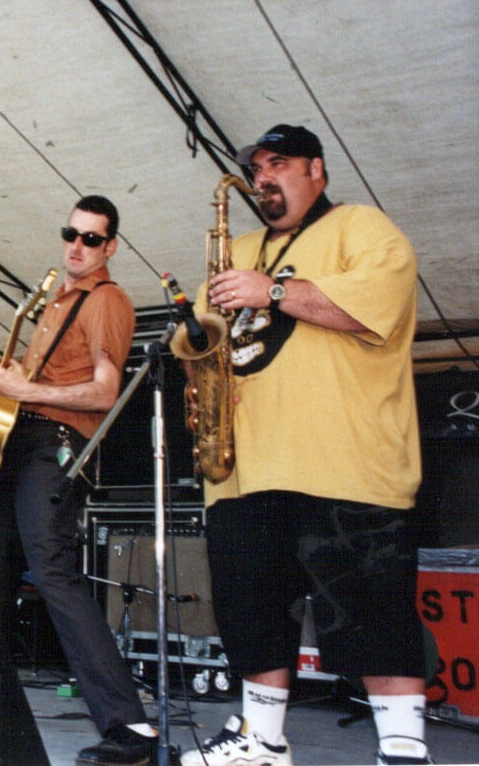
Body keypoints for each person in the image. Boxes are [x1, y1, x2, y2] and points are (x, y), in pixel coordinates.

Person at [178, 125, 429, 766]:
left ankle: (404, 747)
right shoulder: (239, 248)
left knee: (372, 612)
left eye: (278, 163)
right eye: (255, 168)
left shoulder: (362, 227)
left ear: (316, 169)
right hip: (244, 467)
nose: (263, 177)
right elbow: (203, 342)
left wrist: (275, 291)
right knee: (252, 611)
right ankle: (260, 740)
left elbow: (377, 307)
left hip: (345, 463)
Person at [0, 196, 159, 766]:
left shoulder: (106, 300)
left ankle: (130, 727)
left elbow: (103, 392)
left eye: (91, 238)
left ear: (110, 246)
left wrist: (27, 396)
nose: (77, 245)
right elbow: (34, 389)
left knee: (53, 574)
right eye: (71, 233)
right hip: (24, 440)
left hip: (55, 449)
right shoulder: (56, 303)